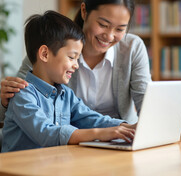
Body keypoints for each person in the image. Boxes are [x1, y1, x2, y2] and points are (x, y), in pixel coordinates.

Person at [0, 0, 151, 124]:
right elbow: (15, 106)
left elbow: (148, 105)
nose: (109, 36)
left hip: (121, 138)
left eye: (120, 29)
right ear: (84, 11)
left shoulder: (132, 48)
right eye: (103, 24)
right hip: (69, 143)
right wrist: (5, 100)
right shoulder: (54, 45)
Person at [1, 11, 135, 152]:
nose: (76, 65)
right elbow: (47, 133)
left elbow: (92, 119)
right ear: (45, 54)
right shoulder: (21, 94)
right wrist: (99, 134)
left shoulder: (66, 95)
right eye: (72, 57)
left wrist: (127, 127)